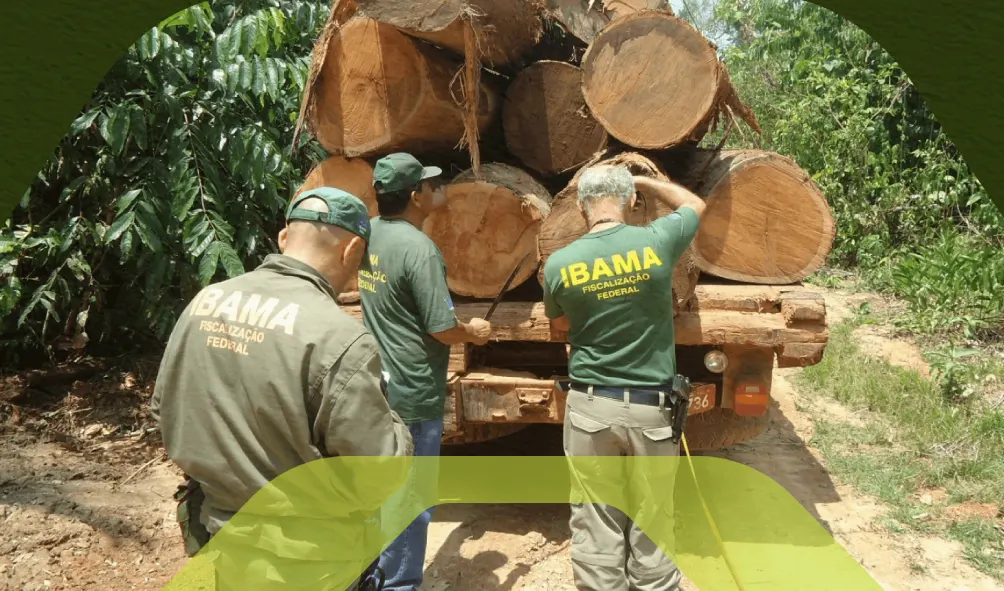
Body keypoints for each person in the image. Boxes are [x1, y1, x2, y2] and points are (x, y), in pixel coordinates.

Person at [151, 187, 414, 590]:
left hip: (221, 535)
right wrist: (395, 421)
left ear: (285, 238)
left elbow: (165, 411)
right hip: (310, 560)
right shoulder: (340, 337)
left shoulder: (205, 302)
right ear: (353, 251)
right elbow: (379, 471)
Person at [540, 165, 707, 591]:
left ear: (580, 209)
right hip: (653, 410)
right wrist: (647, 181)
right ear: (631, 202)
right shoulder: (655, 241)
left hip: (591, 408)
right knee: (653, 515)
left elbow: (558, 327)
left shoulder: (560, 264)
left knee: (595, 515)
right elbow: (694, 205)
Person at [357, 152, 492, 591]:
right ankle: (398, 585)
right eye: (431, 185)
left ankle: (372, 571)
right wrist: (473, 332)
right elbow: (442, 330)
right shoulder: (420, 250)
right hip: (413, 391)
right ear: (416, 195)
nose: (438, 190)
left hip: (375, 384)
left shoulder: (367, 236)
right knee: (412, 498)